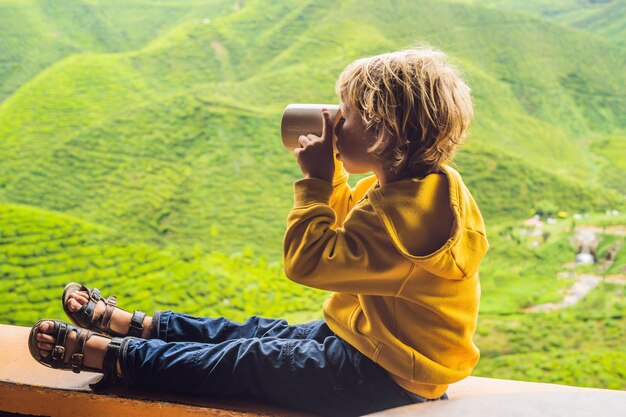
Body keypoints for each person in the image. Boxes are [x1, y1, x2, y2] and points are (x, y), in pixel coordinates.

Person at [29, 48, 488, 417]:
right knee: (261, 332)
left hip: (383, 375)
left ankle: (118, 357)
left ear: (386, 135)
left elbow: (307, 261)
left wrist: (313, 183)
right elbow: (353, 222)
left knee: (253, 359)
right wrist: (336, 176)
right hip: (373, 342)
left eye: (345, 116)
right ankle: (142, 327)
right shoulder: (426, 186)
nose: (334, 123)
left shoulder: (403, 222)